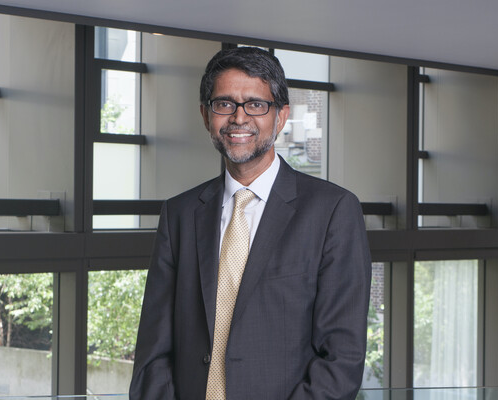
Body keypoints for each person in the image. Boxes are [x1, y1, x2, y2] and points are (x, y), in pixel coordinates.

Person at [129, 46, 371, 400]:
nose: (238, 118)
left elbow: (342, 358)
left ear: (281, 115)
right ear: (205, 114)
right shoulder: (179, 214)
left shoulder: (333, 211)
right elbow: (153, 351)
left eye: (256, 104)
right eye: (224, 104)